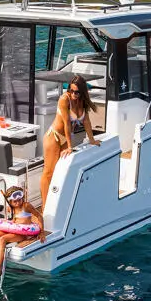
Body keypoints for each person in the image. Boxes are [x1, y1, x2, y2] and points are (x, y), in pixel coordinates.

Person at [40, 74, 100, 207]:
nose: (73, 94)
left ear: (82, 92)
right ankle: (44, 207)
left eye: (76, 92)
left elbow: (86, 121)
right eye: (71, 90)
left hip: (65, 139)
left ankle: (57, 203)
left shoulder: (82, 101)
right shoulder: (64, 99)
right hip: (54, 137)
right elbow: (67, 123)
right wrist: (69, 146)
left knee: (61, 171)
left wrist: (92, 140)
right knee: (48, 172)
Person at [0, 186, 44, 278]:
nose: (18, 203)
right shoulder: (11, 208)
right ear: (10, 201)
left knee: (2, 239)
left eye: (19, 200)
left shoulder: (26, 206)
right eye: (15, 201)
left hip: (23, 233)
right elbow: (14, 221)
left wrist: (41, 232)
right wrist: (4, 227)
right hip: (15, 230)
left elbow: (39, 216)